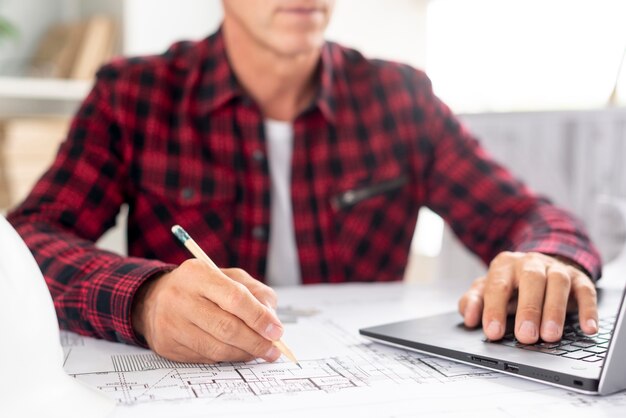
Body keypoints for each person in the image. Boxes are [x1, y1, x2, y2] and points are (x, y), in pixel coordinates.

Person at [7, 0, 601, 365]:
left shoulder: (401, 98)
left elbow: (530, 215)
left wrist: (549, 260)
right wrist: (145, 299)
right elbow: (26, 241)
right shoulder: (133, 95)